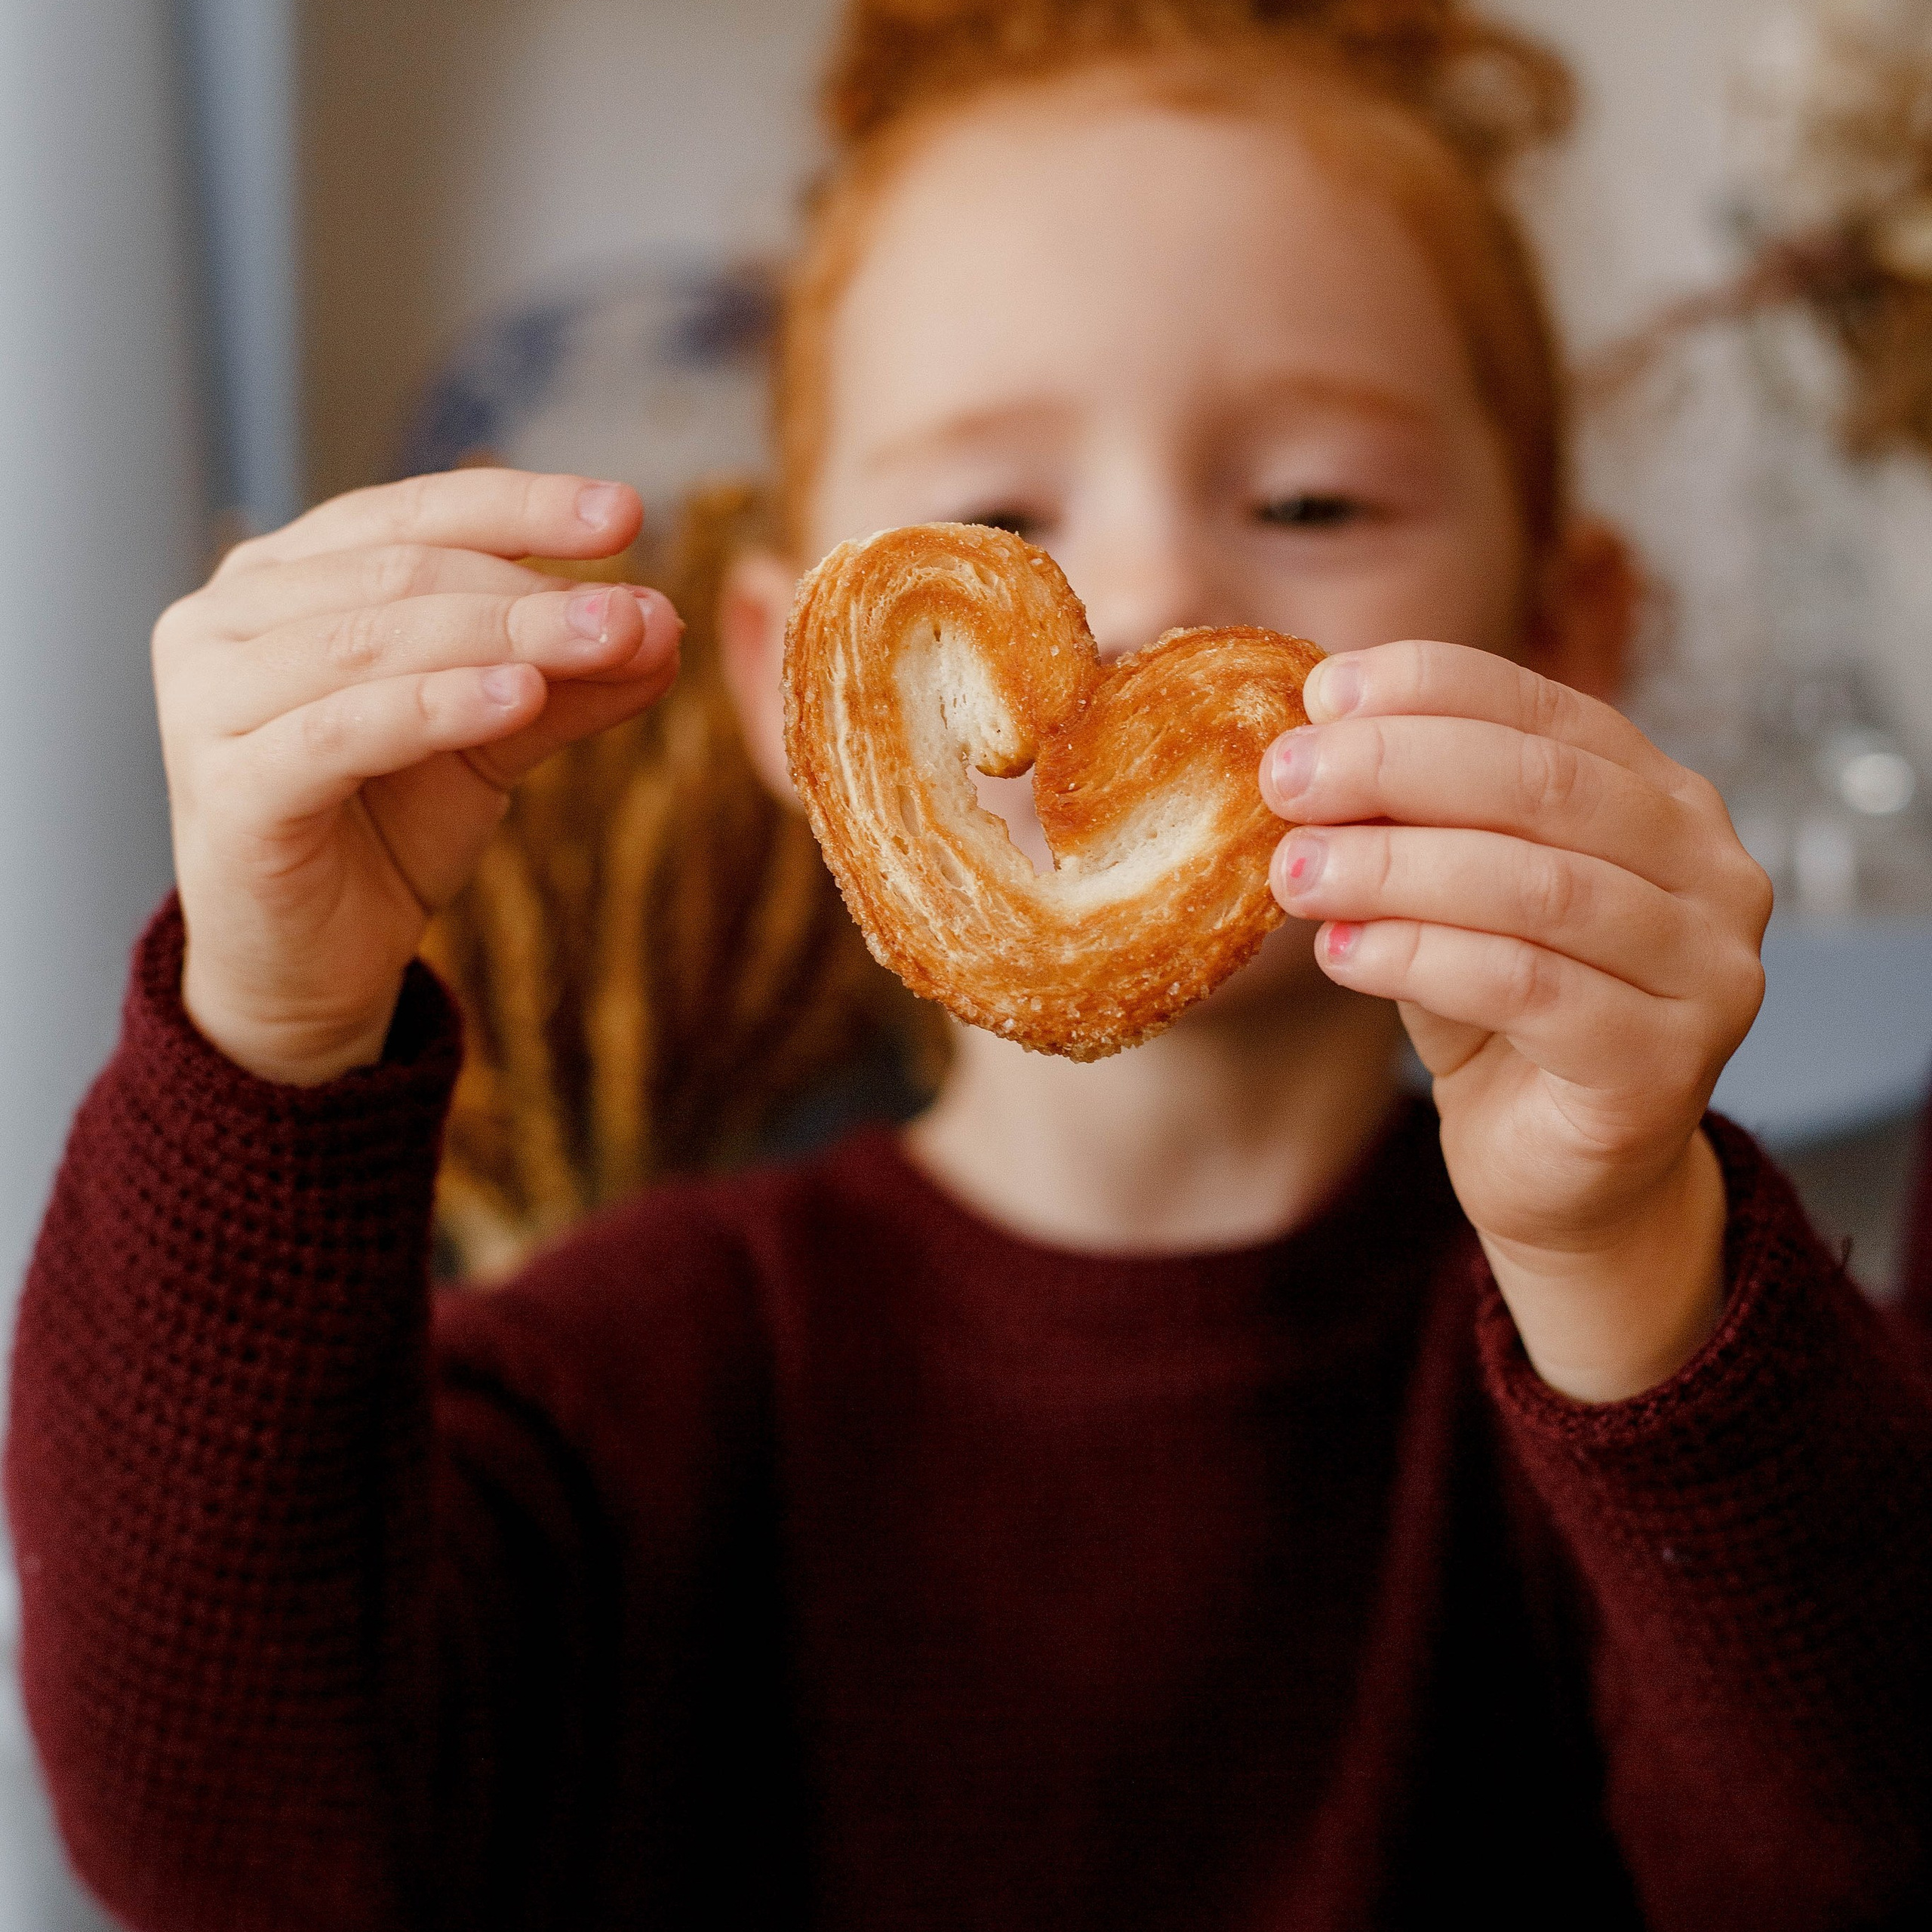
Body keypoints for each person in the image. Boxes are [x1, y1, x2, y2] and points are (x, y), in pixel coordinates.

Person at [8, 2, 1930, 1926]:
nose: (1157, 594)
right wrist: (267, 1034)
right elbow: (233, 1836)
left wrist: (1625, 1263)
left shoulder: (1628, 1386)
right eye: (1001, 515)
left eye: (1311, 502)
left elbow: (1853, 1853)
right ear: (792, 678)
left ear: (1560, 627)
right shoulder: (647, 1373)